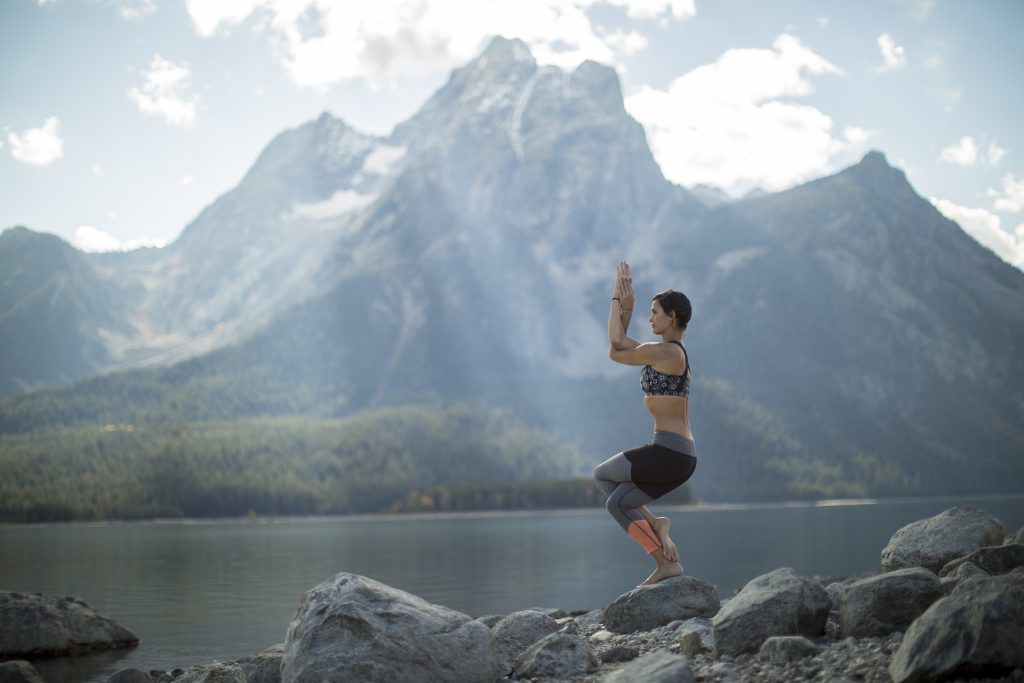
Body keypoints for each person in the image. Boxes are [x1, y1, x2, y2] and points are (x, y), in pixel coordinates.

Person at [594, 260, 697, 586]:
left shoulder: (670, 354)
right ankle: (657, 526)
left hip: (672, 453)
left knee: (610, 489)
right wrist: (628, 308)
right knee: (615, 496)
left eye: (655, 312)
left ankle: (664, 561)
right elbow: (616, 349)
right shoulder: (661, 352)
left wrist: (616, 298)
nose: (650, 318)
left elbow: (615, 338)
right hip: (671, 452)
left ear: (673, 317)